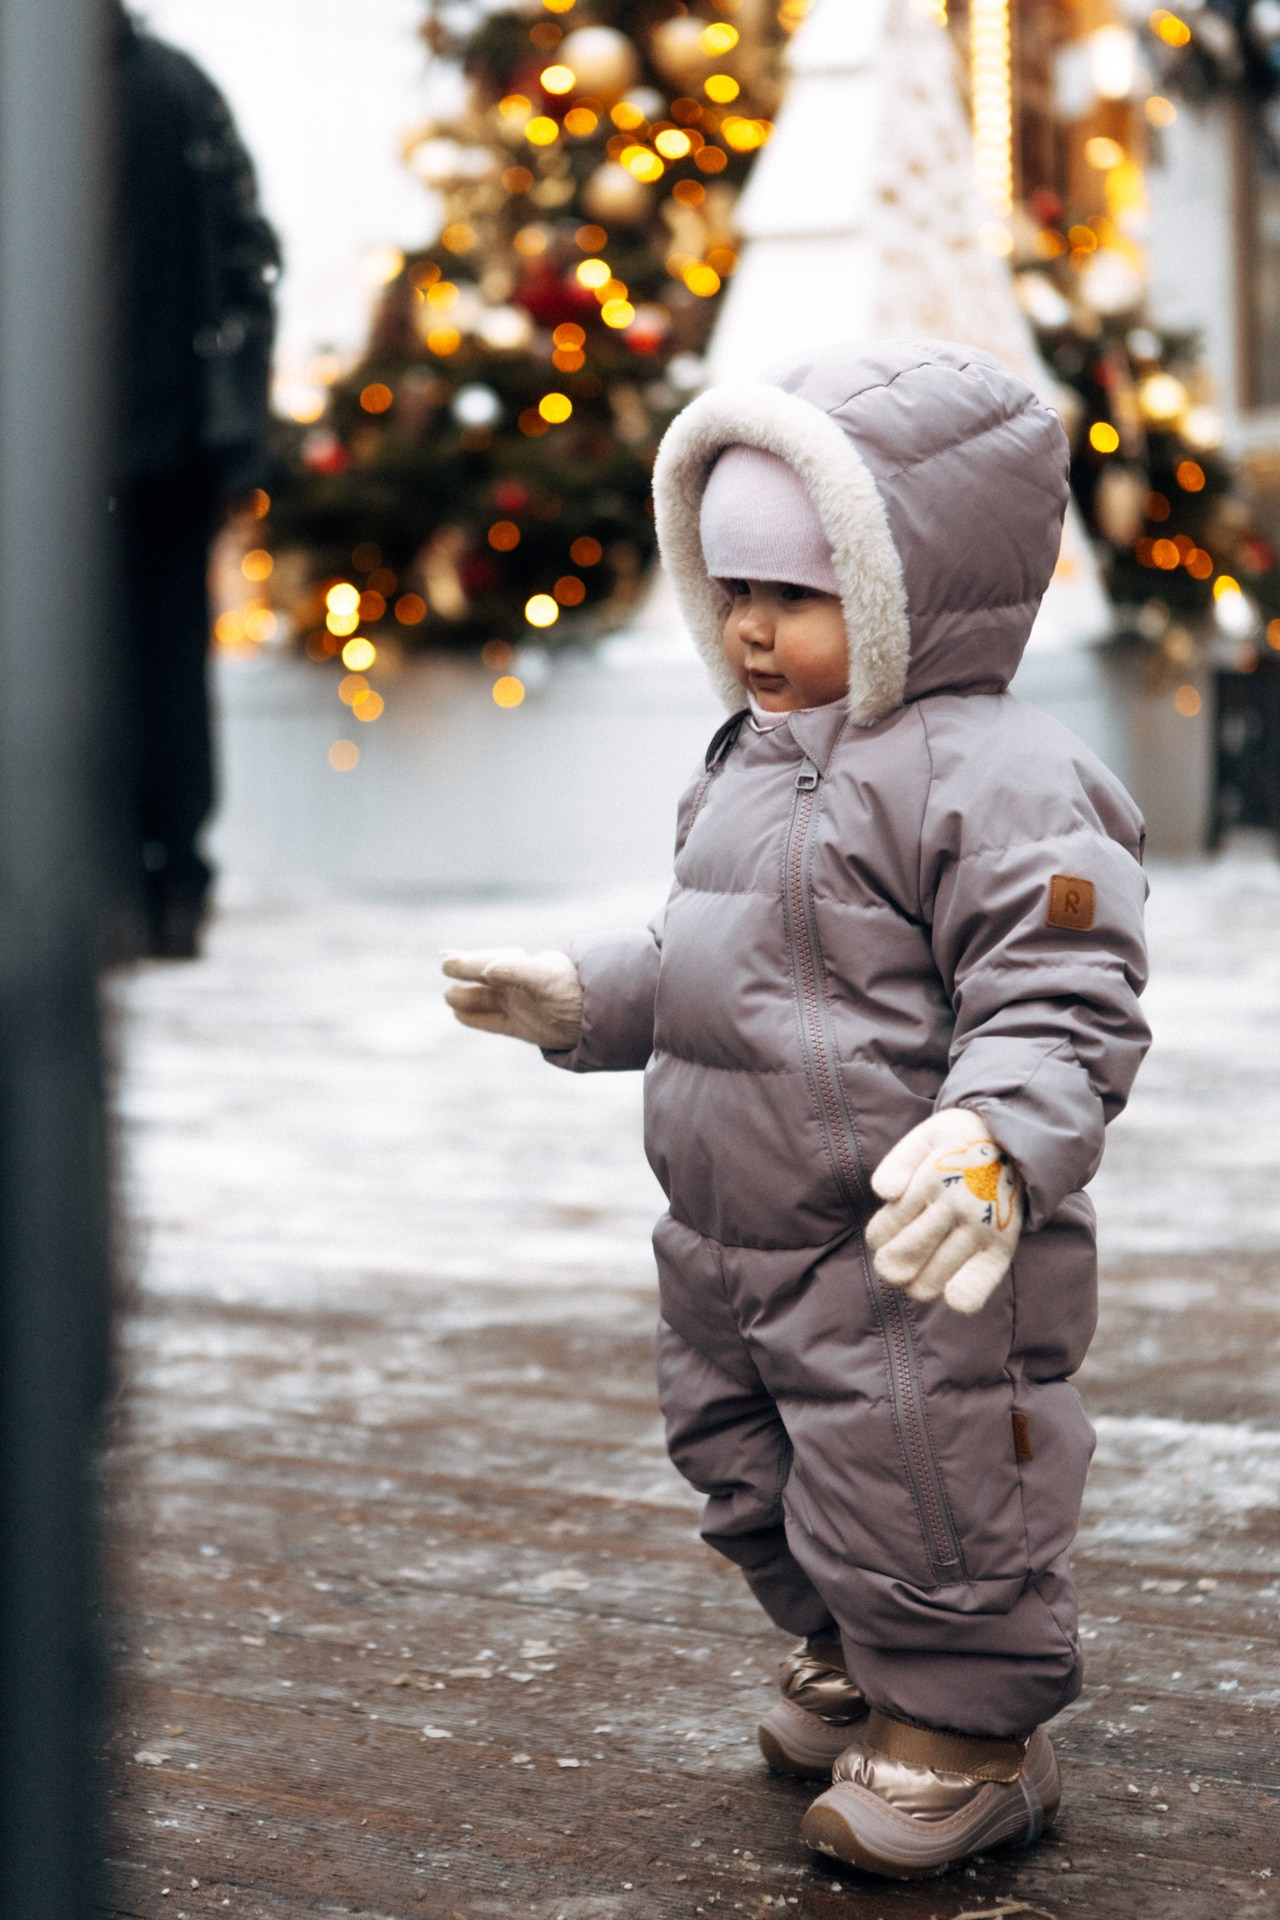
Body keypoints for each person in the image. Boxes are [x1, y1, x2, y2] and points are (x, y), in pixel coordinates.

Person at [441, 341, 1150, 1879]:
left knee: (930, 1485)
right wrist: (589, 997)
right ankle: (858, 1655)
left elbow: (1062, 995)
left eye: (799, 595)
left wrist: (995, 1142)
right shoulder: (753, 765)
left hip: (912, 1246)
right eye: (732, 590)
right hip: (731, 1238)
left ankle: (969, 1731)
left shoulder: (1005, 780)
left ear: (914, 585)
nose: (753, 630)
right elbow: (720, 961)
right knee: (747, 1464)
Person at [111, 1, 279, 957]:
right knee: (168, 661)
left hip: (110, 446)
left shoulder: (59, 98)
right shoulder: (178, 89)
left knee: (105, 665)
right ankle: (172, 879)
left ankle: (135, 877)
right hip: (173, 442)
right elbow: (246, 258)